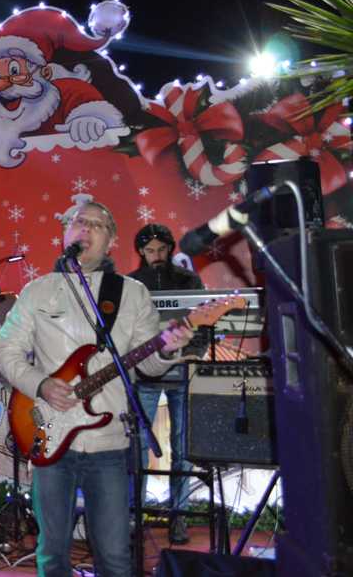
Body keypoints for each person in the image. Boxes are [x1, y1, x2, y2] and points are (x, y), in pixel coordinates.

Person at [0, 202, 193, 577]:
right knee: (52, 555)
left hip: (110, 444)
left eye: (96, 225)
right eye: (77, 222)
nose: (84, 229)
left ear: (112, 240)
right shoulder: (37, 291)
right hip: (49, 438)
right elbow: (7, 351)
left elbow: (148, 364)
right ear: (65, 233)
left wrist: (168, 347)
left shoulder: (131, 294)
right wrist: (40, 384)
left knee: (116, 558)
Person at [128, 223, 205, 545]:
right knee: (137, 448)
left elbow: (203, 323)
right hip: (145, 375)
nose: (156, 256)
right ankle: (134, 515)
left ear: (170, 249)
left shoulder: (188, 280)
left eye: (161, 250)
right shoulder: (132, 285)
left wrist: (193, 353)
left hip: (181, 373)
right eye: (150, 251)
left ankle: (180, 517)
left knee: (182, 447)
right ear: (141, 253)